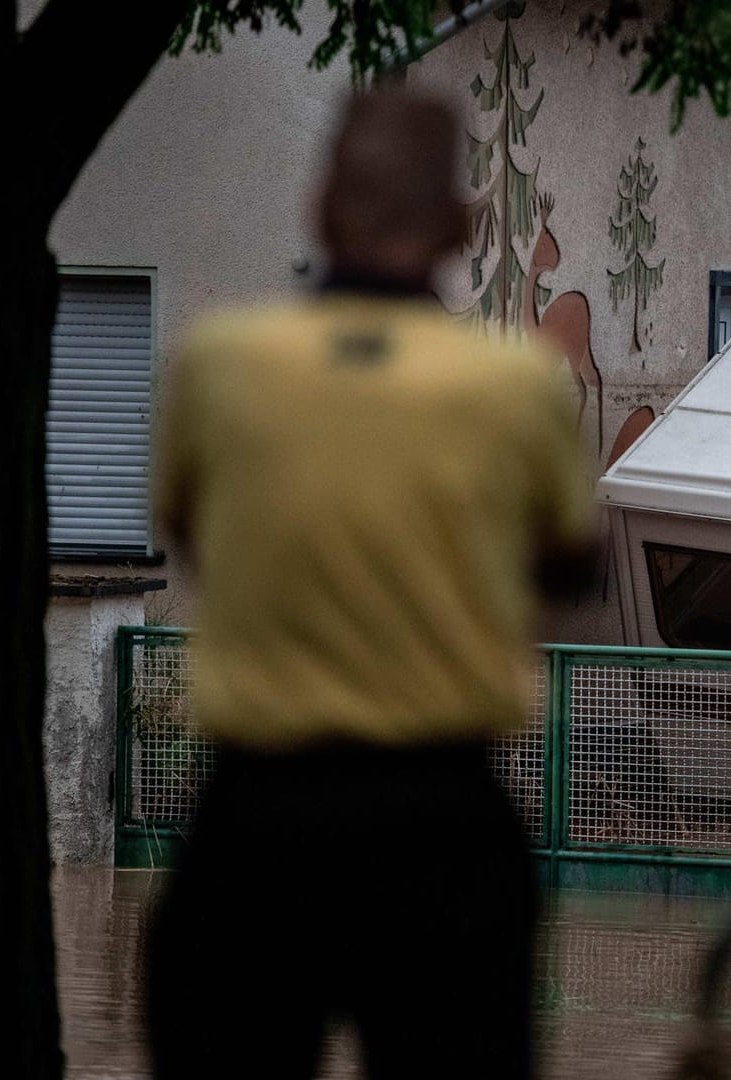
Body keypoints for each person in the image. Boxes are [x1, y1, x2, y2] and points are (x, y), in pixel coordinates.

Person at [144, 90, 594, 1080]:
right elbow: (570, 566)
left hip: (253, 827)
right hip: (444, 826)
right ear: (462, 226)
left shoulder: (219, 365)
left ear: (317, 209)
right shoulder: (516, 387)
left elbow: (190, 536)